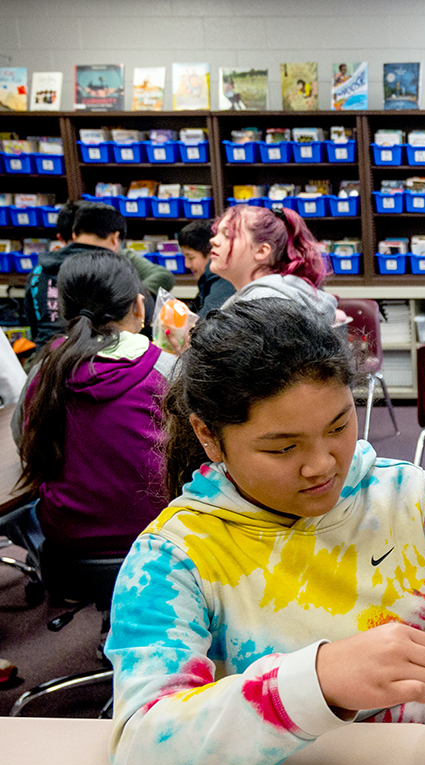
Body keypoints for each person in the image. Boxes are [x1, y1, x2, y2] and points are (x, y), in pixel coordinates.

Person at [104, 300, 425, 765]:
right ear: (208, 437)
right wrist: (316, 683)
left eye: (339, 426)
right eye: (283, 448)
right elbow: (145, 746)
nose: (321, 464)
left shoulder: (414, 500)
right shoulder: (174, 557)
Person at [15, 250, 176, 558]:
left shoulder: (47, 367)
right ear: (139, 306)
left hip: (67, 538)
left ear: (64, 312)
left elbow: (25, 442)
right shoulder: (167, 369)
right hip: (159, 536)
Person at [25, 201, 175, 346]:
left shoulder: (39, 269)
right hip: (100, 353)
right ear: (115, 238)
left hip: (46, 354)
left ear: (74, 234)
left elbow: (31, 319)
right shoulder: (114, 269)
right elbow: (141, 321)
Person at [208, 203, 337, 324]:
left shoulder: (261, 308)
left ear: (261, 251)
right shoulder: (271, 298)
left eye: (227, 235)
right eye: (216, 233)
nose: (213, 240)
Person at [177, 218, 236, 317]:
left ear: (211, 253)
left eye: (191, 257)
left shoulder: (223, 286)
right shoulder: (209, 281)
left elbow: (204, 322)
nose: (187, 265)